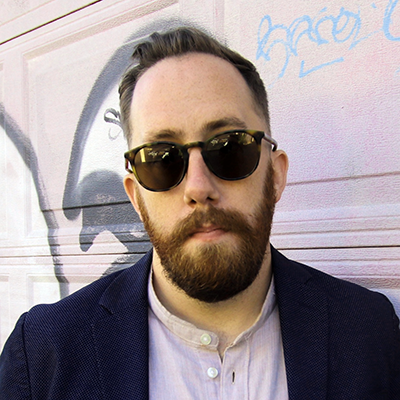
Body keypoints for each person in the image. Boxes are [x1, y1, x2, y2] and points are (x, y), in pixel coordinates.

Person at [0, 26, 399, 400]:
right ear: (136, 196)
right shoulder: (43, 356)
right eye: (160, 158)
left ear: (275, 176)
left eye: (230, 147)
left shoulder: (369, 333)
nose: (198, 188)